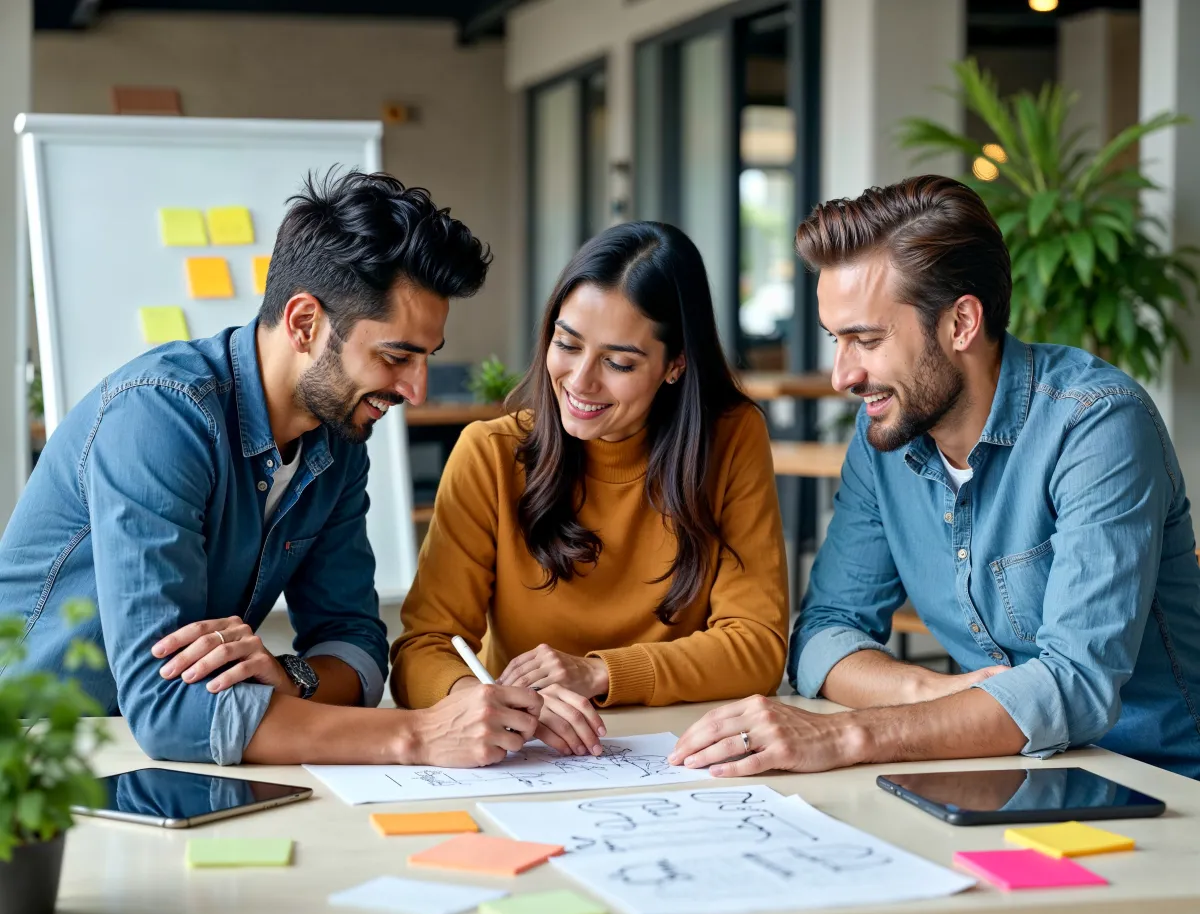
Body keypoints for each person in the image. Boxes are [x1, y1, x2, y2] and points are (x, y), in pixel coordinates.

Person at [0, 171, 543, 767]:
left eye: (426, 360)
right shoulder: (158, 417)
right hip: (35, 753)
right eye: (395, 356)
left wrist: (293, 678)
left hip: (150, 760)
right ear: (304, 321)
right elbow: (169, 709)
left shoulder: (337, 442)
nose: (416, 390)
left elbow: (358, 648)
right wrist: (417, 736)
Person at [671, 175, 1200, 780]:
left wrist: (847, 734)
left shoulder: (1095, 422)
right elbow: (823, 636)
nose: (843, 375)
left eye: (866, 340)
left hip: (1154, 782)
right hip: (1001, 774)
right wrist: (926, 693)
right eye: (836, 340)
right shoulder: (885, 441)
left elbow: (1076, 684)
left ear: (961, 324)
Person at [392, 221, 789, 757]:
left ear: (675, 366)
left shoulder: (730, 440)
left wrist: (598, 672)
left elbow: (757, 648)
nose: (580, 381)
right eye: (567, 344)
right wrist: (483, 703)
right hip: (526, 754)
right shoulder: (489, 454)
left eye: (619, 362)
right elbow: (423, 649)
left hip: (679, 752)